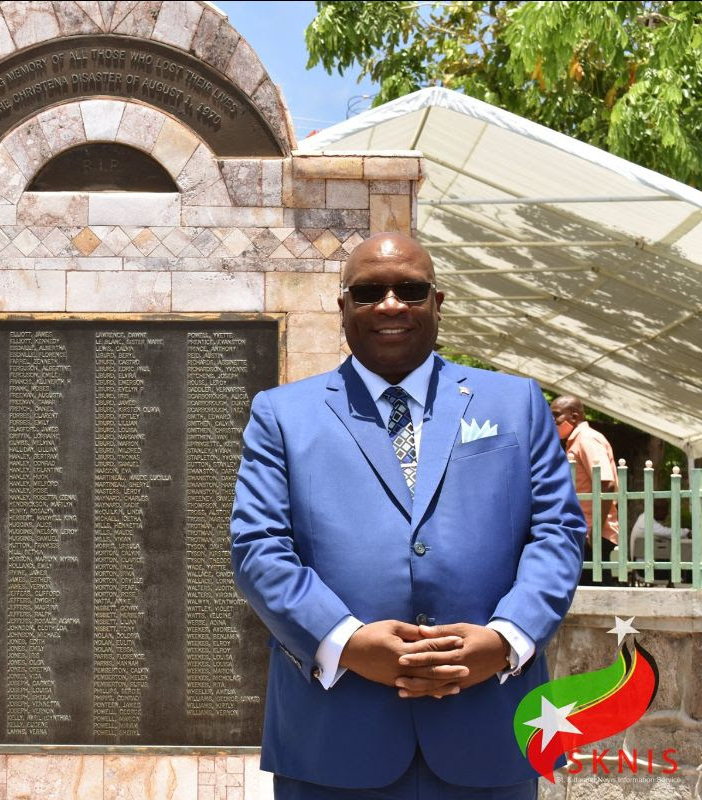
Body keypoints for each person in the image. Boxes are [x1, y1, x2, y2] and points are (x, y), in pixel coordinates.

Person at [230, 233, 585, 799]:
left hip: (490, 729)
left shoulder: (516, 404)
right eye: (369, 292)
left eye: (410, 290)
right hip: (333, 738)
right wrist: (346, 641)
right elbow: (259, 548)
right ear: (342, 306)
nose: (390, 304)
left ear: (437, 303)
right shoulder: (281, 415)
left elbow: (557, 532)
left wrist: (506, 639)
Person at [550, 395, 620, 584]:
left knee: (595, 587)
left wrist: (594, 531)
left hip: (591, 533)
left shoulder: (587, 439)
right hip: (583, 530)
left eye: (556, 415)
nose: (552, 421)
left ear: (574, 416)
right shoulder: (577, 441)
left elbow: (607, 484)